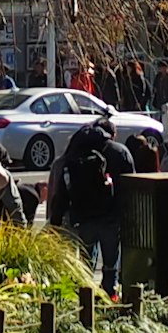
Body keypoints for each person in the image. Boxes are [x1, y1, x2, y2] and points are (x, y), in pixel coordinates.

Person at [54, 121, 123, 290]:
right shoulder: (118, 152)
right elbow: (127, 184)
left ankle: (87, 296)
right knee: (111, 261)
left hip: (83, 216)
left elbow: (62, 191)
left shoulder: (73, 155)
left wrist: (55, 220)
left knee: (86, 260)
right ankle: (110, 293)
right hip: (110, 216)